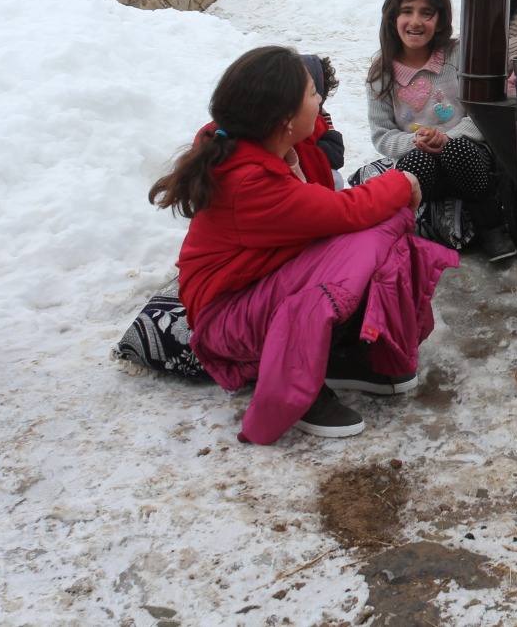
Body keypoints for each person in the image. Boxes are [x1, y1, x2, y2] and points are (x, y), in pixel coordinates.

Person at [153, 46, 456, 443]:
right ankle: (298, 388)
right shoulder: (247, 180)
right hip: (226, 321)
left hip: (260, 290)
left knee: (378, 232)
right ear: (283, 118)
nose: (321, 102)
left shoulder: (284, 147)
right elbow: (342, 212)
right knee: (364, 242)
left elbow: (336, 207)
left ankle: (343, 355)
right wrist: (404, 182)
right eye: (313, 93)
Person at [366, 0, 517, 262]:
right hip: (424, 162)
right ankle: (402, 234)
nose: (415, 21)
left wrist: (447, 137)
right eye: (407, 11)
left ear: (440, 19)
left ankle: (492, 228)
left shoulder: (458, 55)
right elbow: (382, 134)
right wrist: (418, 140)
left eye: (426, 13)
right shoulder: (381, 73)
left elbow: (482, 112)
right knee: (411, 165)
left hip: (468, 156)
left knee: (458, 151)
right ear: (392, 17)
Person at [296, 54, 345, 189]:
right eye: (313, 93)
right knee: (335, 178)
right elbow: (336, 157)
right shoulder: (307, 123)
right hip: (309, 192)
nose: (318, 99)